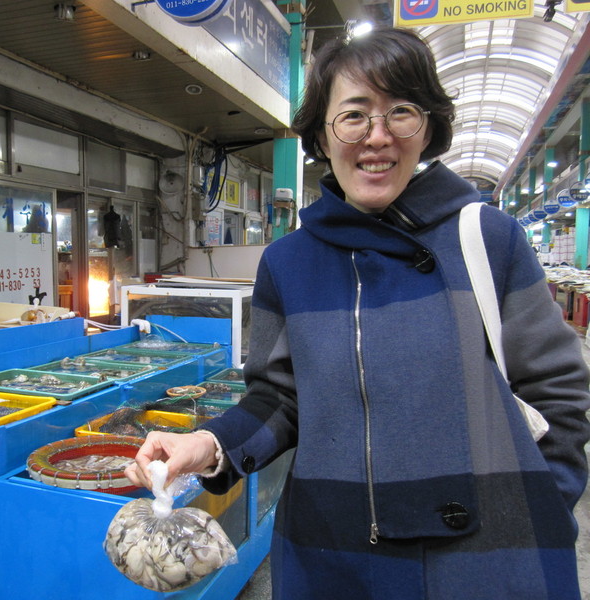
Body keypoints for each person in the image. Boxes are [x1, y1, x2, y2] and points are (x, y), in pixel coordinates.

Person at [125, 27, 590, 599]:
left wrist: (540, 506)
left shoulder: (488, 240)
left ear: (429, 127)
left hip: (479, 563)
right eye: (354, 115)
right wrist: (210, 444)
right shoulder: (289, 263)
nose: (377, 137)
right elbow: (279, 398)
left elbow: (559, 389)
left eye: (401, 112)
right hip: (333, 555)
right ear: (323, 132)